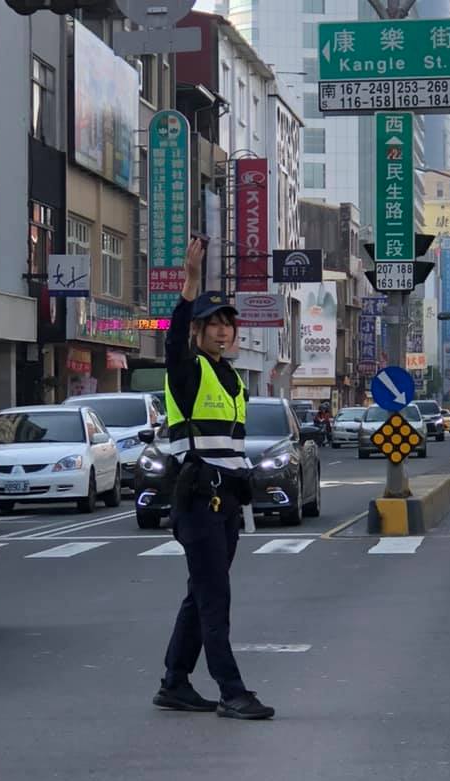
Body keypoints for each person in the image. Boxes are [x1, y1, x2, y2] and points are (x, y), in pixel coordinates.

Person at [152, 239, 275, 721]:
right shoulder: (188, 369)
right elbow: (172, 337)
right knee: (214, 599)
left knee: (200, 593)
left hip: (225, 505)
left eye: (228, 323)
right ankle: (231, 691)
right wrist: (190, 283)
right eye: (213, 323)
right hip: (197, 500)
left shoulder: (232, 377)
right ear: (197, 330)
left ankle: (175, 682)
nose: (223, 330)